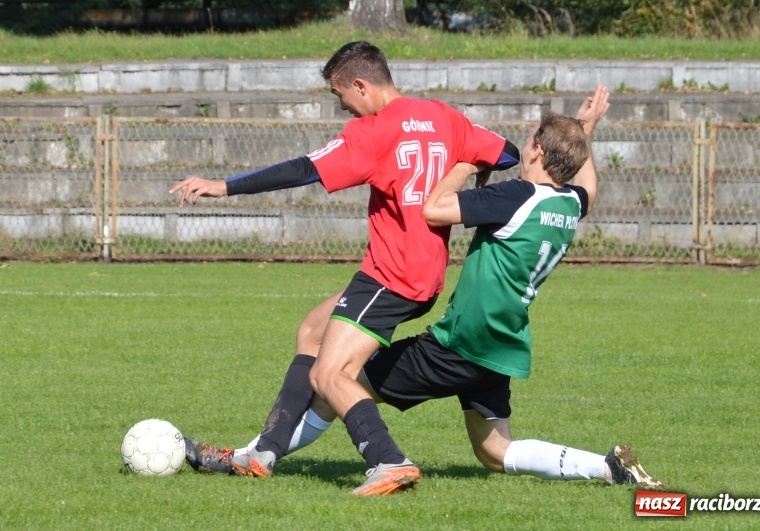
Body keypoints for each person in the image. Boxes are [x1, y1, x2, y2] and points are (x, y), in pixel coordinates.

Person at [185, 85, 665, 491]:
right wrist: (584, 132)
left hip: (459, 343)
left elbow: (433, 209)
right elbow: (589, 187)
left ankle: (275, 457)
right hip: (502, 346)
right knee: (495, 451)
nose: (524, 147)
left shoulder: (515, 195)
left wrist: (459, 162)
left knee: (335, 382)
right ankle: (607, 467)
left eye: (530, 142)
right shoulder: (567, 205)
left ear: (538, 152)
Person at [169, 40, 520, 495]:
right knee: (313, 331)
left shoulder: (373, 131)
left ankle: (388, 460)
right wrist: (469, 163)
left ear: (361, 84)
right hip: (423, 274)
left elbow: (304, 168)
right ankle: (264, 452)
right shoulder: (443, 117)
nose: (344, 108)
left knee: (329, 374)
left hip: (391, 275)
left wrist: (224, 186)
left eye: (341, 96)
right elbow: (508, 152)